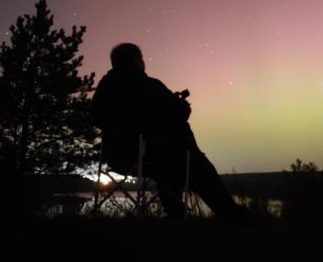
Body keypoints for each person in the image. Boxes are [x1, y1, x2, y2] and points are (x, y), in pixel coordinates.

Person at [90, 43, 247, 222]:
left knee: (168, 165)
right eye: (141, 59)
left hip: (116, 157)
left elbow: (97, 118)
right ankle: (231, 214)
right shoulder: (147, 85)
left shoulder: (104, 89)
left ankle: (176, 215)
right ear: (136, 60)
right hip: (148, 156)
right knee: (189, 163)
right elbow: (180, 113)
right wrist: (181, 104)